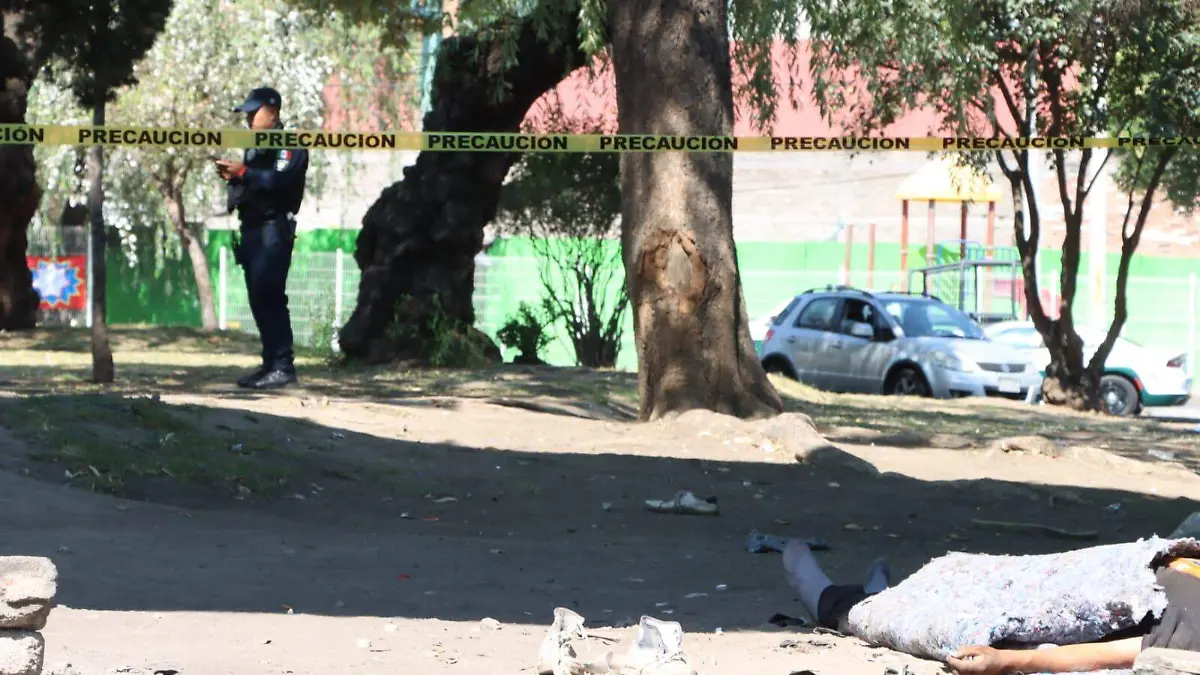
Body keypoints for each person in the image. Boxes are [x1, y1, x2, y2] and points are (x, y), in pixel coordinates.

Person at [782, 540, 1200, 675]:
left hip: (1097, 607)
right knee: (976, 577)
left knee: (959, 617)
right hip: (1114, 572)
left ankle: (841, 602)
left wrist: (1006, 661)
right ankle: (874, 591)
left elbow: (1129, 652)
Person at [214, 87, 309, 389]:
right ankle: (270, 364)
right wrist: (236, 177)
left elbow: (278, 181)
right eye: (247, 113)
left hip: (273, 230)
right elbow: (255, 182)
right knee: (258, 298)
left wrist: (244, 172)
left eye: (254, 113)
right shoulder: (255, 146)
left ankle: (283, 367)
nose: (249, 119)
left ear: (273, 112)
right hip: (253, 228)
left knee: (270, 297)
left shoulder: (289, 143)